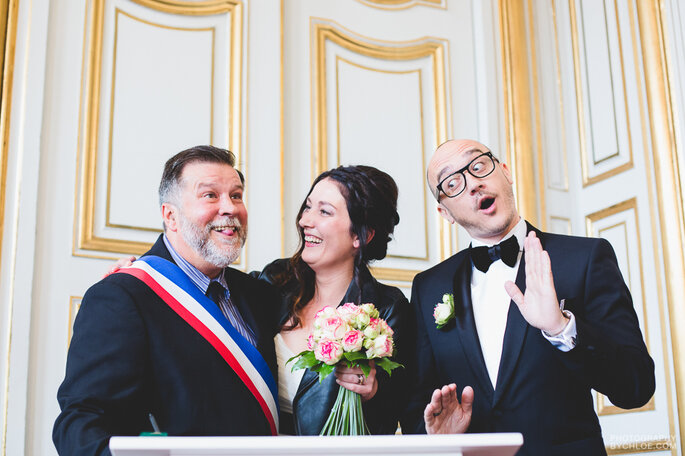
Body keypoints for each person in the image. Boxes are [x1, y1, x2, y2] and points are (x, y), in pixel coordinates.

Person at [401, 139, 655, 455]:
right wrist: (438, 439)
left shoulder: (585, 259)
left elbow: (636, 386)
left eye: (478, 166)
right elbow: (416, 404)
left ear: (505, 171)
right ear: (444, 212)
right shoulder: (428, 286)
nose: (473, 184)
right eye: (453, 183)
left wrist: (561, 329)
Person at [53, 146, 280, 456]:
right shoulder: (122, 296)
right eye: (210, 195)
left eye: (237, 195)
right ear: (170, 216)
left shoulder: (259, 294)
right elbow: (82, 426)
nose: (230, 208)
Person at [254, 165, 409, 435]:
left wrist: (371, 393)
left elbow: (394, 414)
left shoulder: (387, 310)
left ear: (361, 235)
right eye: (308, 207)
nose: (305, 221)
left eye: (324, 211)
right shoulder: (273, 282)